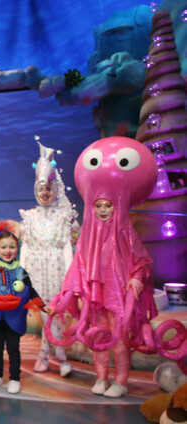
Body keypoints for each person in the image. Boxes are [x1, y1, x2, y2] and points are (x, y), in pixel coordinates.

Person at [46, 136, 187, 399]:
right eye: (98, 205)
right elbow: (78, 266)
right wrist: (65, 297)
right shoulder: (88, 239)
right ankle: (101, 378)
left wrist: (136, 278)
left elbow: (142, 262)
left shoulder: (126, 234)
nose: (103, 210)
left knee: (121, 342)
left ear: (116, 206)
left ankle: (120, 382)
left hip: (120, 297)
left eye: (108, 205)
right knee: (99, 339)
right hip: (96, 297)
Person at [0, 224, 51, 394]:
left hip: (14, 316)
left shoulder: (21, 271)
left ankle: (14, 378)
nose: (7, 251)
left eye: (12, 247)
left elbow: (31, 290)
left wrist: (43, 305)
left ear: (17, 249)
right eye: (3, 247)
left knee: (13, 348)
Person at [18, 140, 78, 378]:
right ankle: (55, 358)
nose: (45, 193)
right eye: (41, 188)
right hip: (36, 270)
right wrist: (22, 273)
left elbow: (65, 246)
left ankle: (50, 357)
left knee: (53, 315)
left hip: (56, 268)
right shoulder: (29, 216)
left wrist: (69, 276)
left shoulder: (62, 216)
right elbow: (26, 246)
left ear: (55, 190)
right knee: (46, 315)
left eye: (49, 189)